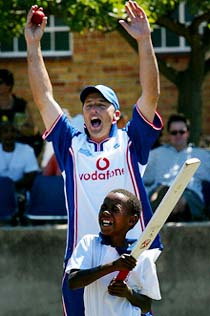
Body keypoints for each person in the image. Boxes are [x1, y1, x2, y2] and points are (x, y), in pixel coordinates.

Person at [24, 1, 163, 315]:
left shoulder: (131, 142)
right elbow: (43, 98)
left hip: (133, 255)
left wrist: (144, 40)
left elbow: (151, 95)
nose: (93, 109)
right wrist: (33, 45)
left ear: (116, 115)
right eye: (88, 105)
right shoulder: (70, 145)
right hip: (83, 262)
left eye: (102, 104)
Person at [66, 189, 161, 316]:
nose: (106, 212)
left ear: (132, 220)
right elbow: (73, 281)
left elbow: (146, 306)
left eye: (115, 210)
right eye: (103, 207)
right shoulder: (89, 243)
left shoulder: (143, 256)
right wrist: (113, 266)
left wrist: (128, 293)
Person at [143, 113, 210, 222]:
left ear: (187, 133)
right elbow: (139, 179)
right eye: (174, 132)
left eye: (181, 132)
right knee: (163, 193)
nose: (178, 135)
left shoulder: (202, 155)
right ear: (169, 135)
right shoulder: (156, 155)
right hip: (161, 193)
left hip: (189, 197)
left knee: (179, 197)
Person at [0, 120, 40, 225]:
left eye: (12, 131)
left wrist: (11, 186)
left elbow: (31, 175)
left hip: (19, 190)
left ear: (17, 134)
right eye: (5, 131)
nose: (9, 134)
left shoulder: (27, 150)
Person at [0, 68, 43, 157]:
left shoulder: (20, 104)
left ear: (8, 85)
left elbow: (33, 130)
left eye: (0, 82)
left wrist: (17, 129)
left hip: (19, 143)